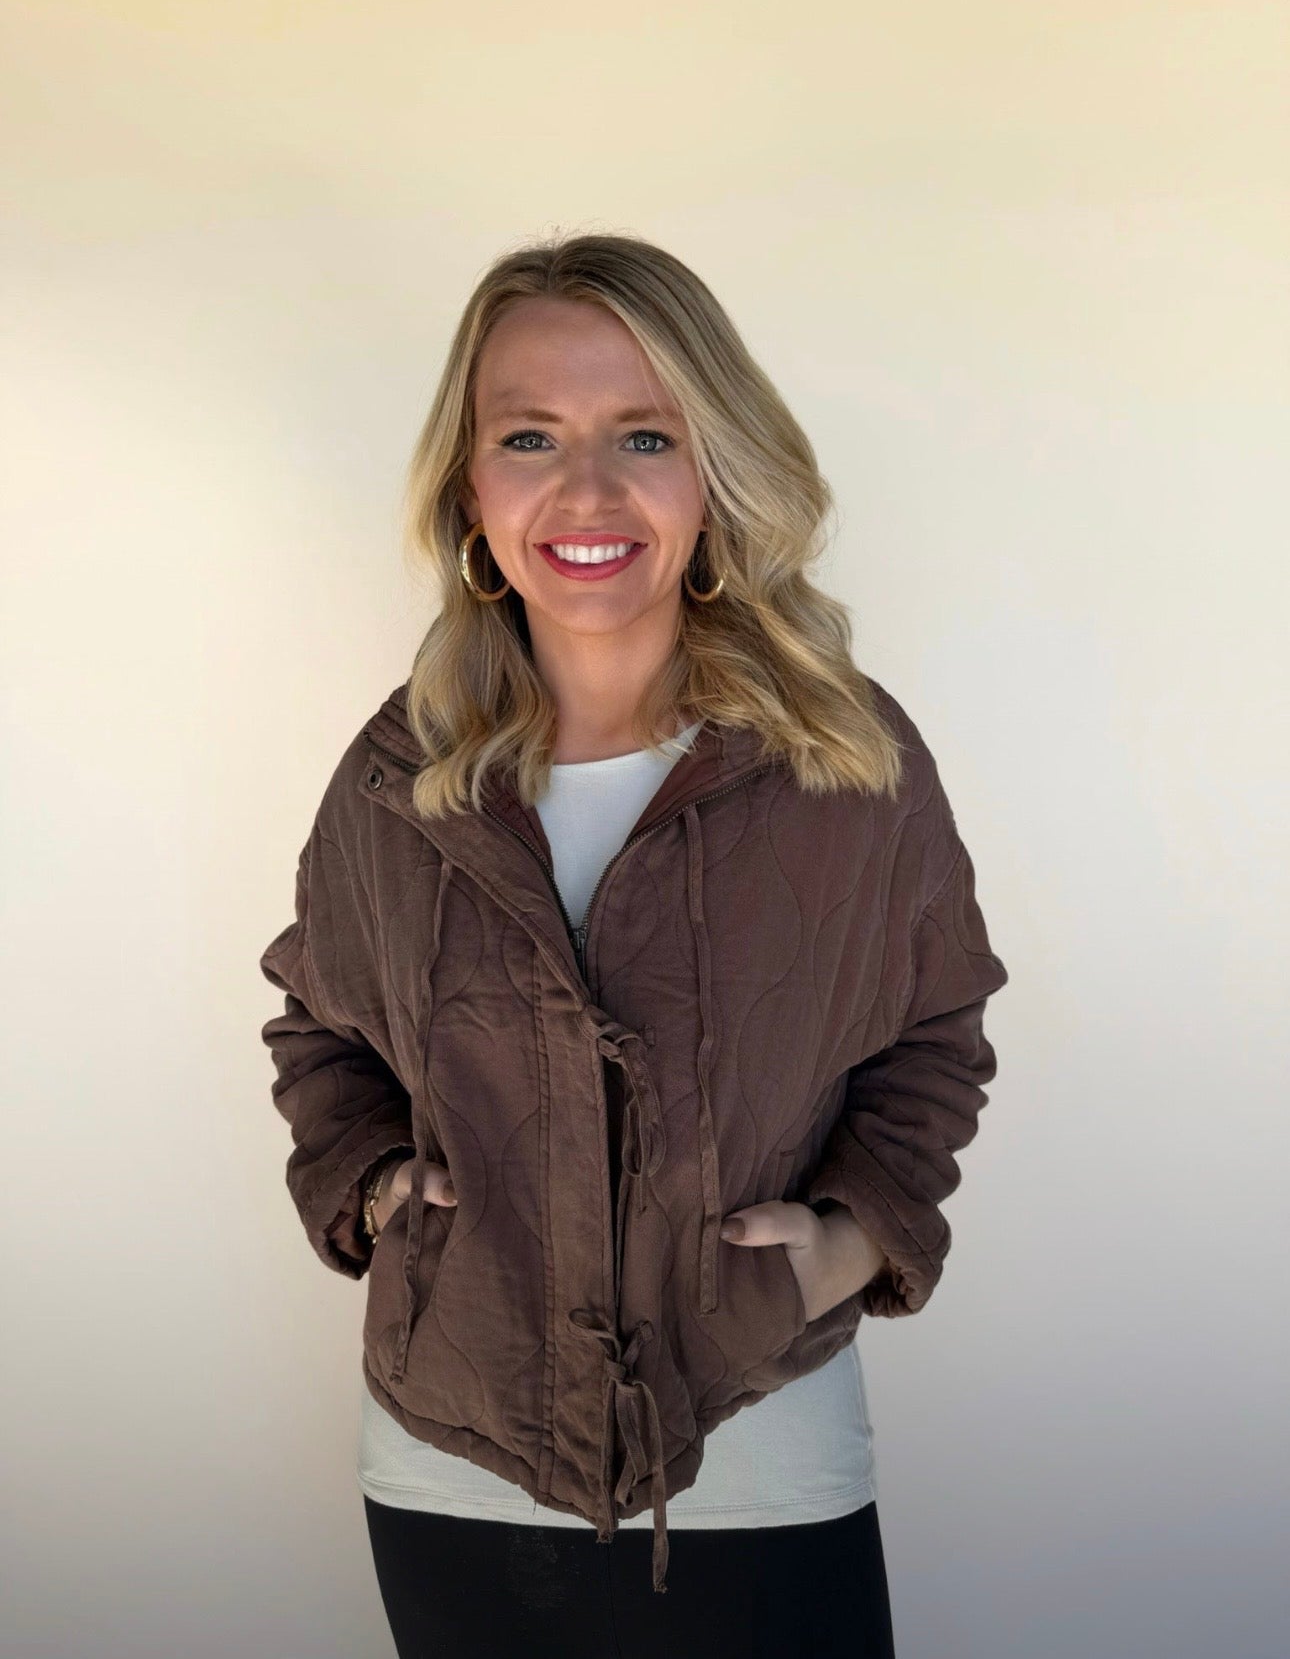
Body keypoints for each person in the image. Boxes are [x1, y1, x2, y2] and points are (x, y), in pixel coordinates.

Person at [259, 231, 1009, 1659]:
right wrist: (378, 1186)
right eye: (529, 436)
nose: (587, 492)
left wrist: (848, 1244)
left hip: (759, 1451)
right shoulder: (399, 776)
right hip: (451, 1469)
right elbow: (321, 1028)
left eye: (645, 435)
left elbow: (934, 1033)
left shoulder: (844, 760)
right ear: (470, 490)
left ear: (714, 471)